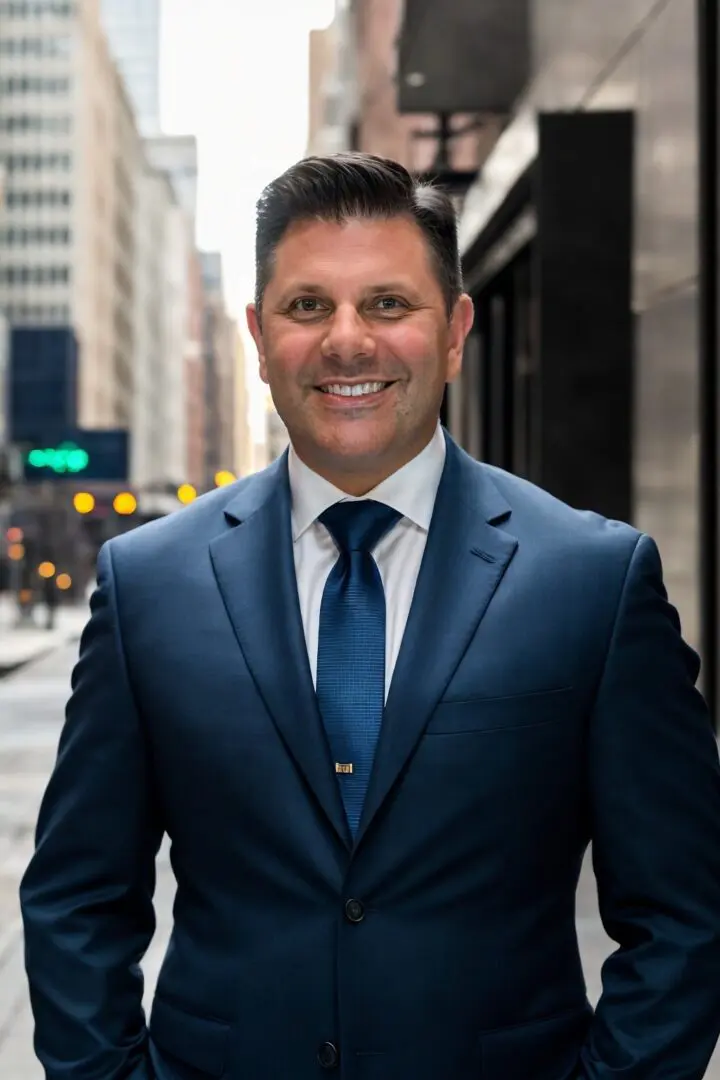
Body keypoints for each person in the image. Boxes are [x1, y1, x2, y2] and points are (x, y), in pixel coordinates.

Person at [20, 152, 720, 1080]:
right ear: (259, 337)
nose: (348, 341)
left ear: (457, 330)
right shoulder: (147, 582)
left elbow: (684, 913)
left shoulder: (594, 578)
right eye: (309, 307)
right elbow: (77, 900)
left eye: (389, 304)